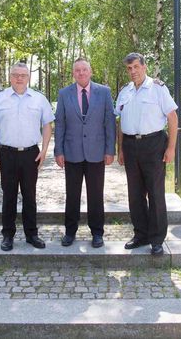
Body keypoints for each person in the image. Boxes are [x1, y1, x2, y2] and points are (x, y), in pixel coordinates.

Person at [0, 62, 55, 251]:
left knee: (30, 196)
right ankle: (8, 235)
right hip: (7, 154)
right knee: (9, 196)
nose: (19, 78)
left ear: (28, 77)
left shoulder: (39, 99)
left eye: (23, 75)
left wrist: (44, 150)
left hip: (31, 154)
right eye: (16, 74)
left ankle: (32, 234)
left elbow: (48, 124)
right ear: (10, 76)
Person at [116, 52, 178, 256]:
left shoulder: (158, 88)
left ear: (144, 67)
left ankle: (157, 239)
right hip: (131, 146)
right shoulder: (125, 92)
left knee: (155, 192)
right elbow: (120, 123)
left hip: (154, 145)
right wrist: (120, 149)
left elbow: (172, 117)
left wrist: (170, 148)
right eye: (129, 68)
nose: (132, 71)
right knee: (135, 194)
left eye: (135, 67)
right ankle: (140, 234)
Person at [54, 58, 116, 248]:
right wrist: (58, 151)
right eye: (77, 70)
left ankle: (97, 232)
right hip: (71, 153)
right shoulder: (64, 94)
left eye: (84, 70)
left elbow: (109, 123)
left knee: (96, 194)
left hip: (97, 153)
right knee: (72, 194)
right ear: (73, 73)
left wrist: (110, 150)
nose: (81, 73)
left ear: (91, 71)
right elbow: (60, 123)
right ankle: (70, 232)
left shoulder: (104, 92)